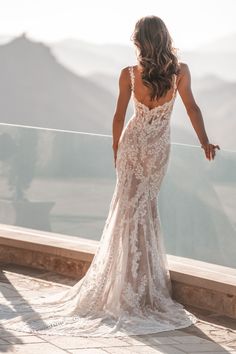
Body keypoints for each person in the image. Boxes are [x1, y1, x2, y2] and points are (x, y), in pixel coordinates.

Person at [1, 15, 220, 337]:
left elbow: (119, 115)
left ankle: (128, 282)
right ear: (164, 37)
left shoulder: (129, 74)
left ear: (139, 42)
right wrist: (204, 141)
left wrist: (117, 148)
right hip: (157, 148)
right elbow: (192, 108)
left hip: (133, 146)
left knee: (128, 210)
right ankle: (139, 283)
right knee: (143, 210)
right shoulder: (180, 71)